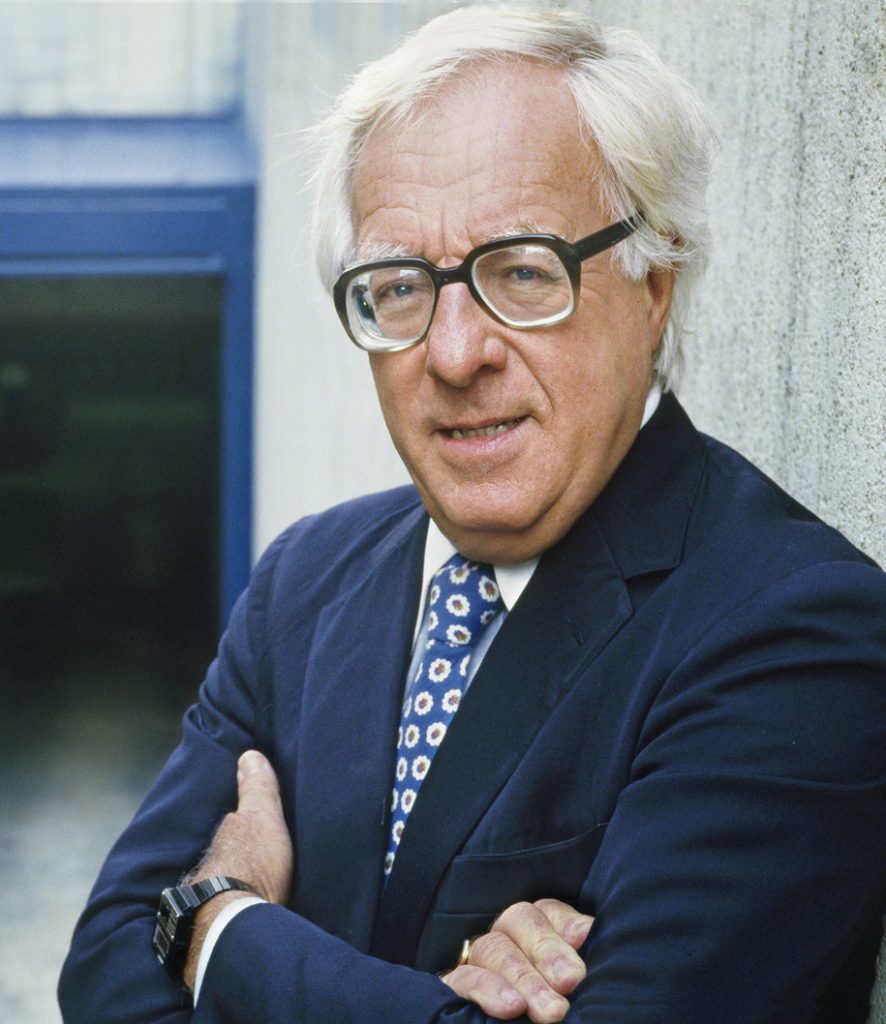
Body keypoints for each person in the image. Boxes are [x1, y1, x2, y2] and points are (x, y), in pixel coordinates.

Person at [59, 5, 886, 1023]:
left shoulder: (796, 630)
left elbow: (166, 937)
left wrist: (221, 925)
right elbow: (104, 968)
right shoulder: (306, 580)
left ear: (655, 286)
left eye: (523, 271)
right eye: (400, 286)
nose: (453, 354)